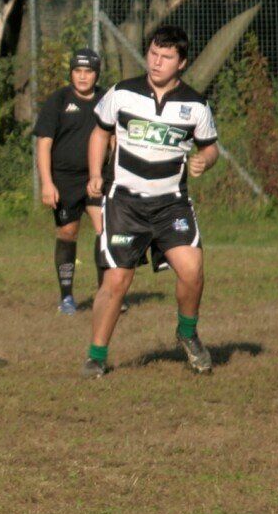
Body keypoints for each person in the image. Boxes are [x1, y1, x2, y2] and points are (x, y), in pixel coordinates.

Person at [83, 25, 219, 377]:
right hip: (125, 204)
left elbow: (210, 147)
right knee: (117, 281)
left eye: (166, 57)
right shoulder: (122, 93)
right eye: (153, 54)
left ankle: (187, 335)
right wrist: (95, 172)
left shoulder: (196, 105)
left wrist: (206, 160)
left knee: (192, 271)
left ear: (182, 63)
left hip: (171, 204)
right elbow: (100, 131)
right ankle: (96, 356)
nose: (156, 62)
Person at [32, 50, 106, 314]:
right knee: (67, 233)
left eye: (88, 71)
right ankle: (66, 297)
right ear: (72, 73)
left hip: (97, 178)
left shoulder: (107, 100)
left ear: (97, 73)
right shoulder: (58, 100)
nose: (83, 76)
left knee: (105, 231)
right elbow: (44, 144)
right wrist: (47, 183)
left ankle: (105, 294)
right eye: (78, 71)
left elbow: (118, 138)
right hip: (64, 180)